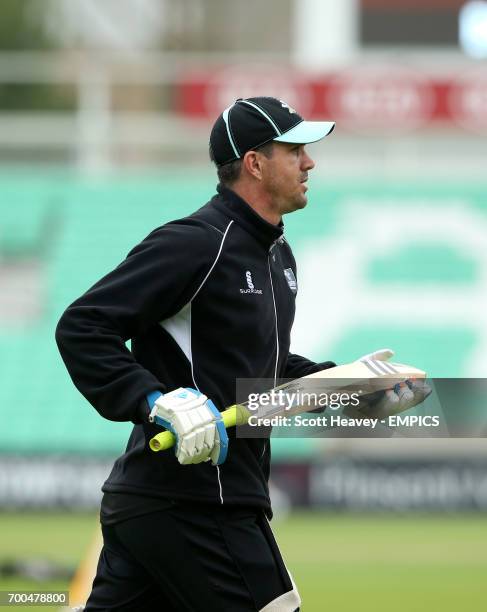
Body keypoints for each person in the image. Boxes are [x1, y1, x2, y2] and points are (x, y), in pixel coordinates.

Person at [56, 97, 426, 611]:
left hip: (165, 501)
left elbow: (264, 368)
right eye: (295, 149)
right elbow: (82, 326)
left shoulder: (277, 254)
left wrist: (349, 384)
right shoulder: (195, 243)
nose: (310, 162)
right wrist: (154, 400)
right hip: (198, 503)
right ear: (254, 162)